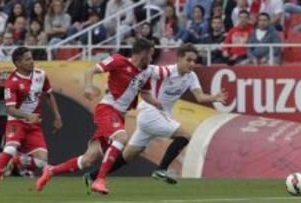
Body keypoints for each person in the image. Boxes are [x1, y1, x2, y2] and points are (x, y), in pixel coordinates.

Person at [83, 43, 228, 192]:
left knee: (128, 155)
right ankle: (162, 169)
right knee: (185, 135)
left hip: (156, 117)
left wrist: (214, 97)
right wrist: (122, 77)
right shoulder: (164, 71)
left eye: (194, 61)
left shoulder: (191, 77)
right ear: (178, 59)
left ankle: (92, 176)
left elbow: (199, 96)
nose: (192, 64)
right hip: (151, 113)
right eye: (188, 60)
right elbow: (140, 68)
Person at [36, 38, 161, 195]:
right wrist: (88, 86)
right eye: (150, 54)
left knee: (88, 159)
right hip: (107, 109)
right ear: (143, 53)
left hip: (119, 116)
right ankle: (100, 180)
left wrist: (157, 103)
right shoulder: (118, 60)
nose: (151, 58)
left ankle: (51, 171)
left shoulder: (146, 72)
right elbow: (91, 70)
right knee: (121, 138)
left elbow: (146, 93)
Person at [0, 47, 63, 196]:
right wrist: (27, 116)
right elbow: (11, 110)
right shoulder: (11, 82)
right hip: (16, 122)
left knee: (42, 162)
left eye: (31, 58)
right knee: (10, 149)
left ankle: (18, 160)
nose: (31, 61)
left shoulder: (41, 75)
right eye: (27, 59)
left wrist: (57, 117)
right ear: (18, 63)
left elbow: (48, 95)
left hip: (34, 126)